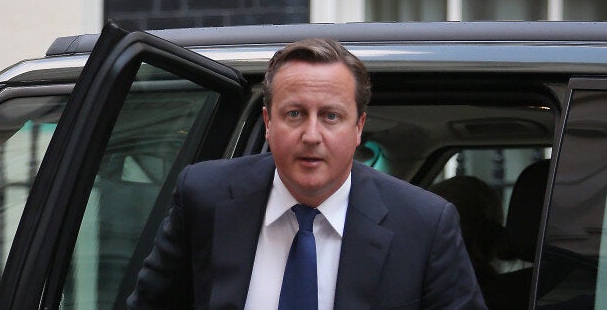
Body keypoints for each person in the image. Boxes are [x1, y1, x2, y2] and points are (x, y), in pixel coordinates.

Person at [127, 38, 485, 309]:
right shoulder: (204, 196)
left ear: (358, 127)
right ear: (268, 122)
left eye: (330, 116)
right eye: (295, 114)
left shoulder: (424, 225)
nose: (311, 136)